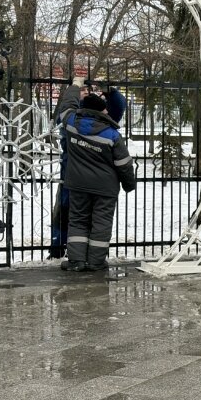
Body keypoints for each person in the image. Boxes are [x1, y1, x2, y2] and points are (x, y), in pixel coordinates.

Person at [57, 79, 136, 271]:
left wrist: (75, 87)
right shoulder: (111, 133)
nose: (108, 111)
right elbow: (124, 163)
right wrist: (129, 185)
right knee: (101, 223)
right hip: (105, 187)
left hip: (77, 183)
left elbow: (66, 106)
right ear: (101, 110)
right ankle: (96, 262)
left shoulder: (71, 124)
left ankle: (76, 261)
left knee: (77, 221)